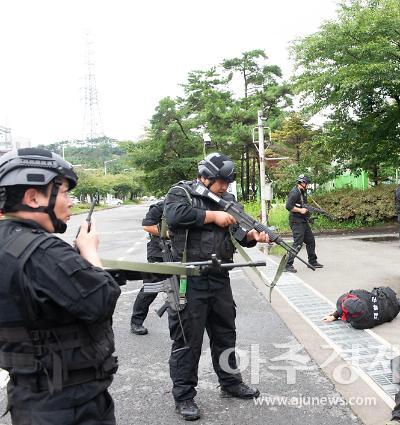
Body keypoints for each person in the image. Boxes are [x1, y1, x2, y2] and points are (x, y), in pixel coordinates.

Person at [0, 148, 121, 424]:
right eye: (64, 192)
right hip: (69, 403)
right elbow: (101, 299)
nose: (70, 203)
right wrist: (89, 252)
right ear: (33, 198)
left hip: (28, 396)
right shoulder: (42, 251)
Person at [164, 152, 270, 421]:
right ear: (206, 176)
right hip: (189, 279)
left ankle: (231, 383)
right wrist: (211, 216)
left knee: (225, 334)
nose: (225, 186)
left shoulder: (228, 202)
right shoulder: (181, 193)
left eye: (227, 182)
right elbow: (175, 216)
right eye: (221, 181)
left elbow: (239, 236)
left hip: (219, 277)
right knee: (188, 340)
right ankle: (184, 396)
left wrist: (253, 236)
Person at [129, 199, 164, 335]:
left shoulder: (189, 205)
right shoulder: (162, 206)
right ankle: (136, 322)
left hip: (181, 253)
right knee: (151, 288)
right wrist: (168, 234)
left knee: (185, 287)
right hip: (159, 252)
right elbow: (147, 226)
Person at [284, 174, 323, 273]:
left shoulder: (302, 192)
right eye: (307, 183)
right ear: (302, 183)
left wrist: (307, 214)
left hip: (303, 221)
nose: (308, 185)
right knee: (298, 243)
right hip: (296, 221)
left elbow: (303, 205)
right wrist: (300, 211)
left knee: (310, 241)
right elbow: (288, 206)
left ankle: (312, 261)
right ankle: (287, 265)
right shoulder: (295, 192)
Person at [322, 287, 400, 329]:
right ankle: (397, 301)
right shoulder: (362, 295)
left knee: (380, 299)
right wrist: (335, 315)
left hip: (391, 311)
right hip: (388, 301)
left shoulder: (359, 324)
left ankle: (397, 302)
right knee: (376, 294)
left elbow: (346, 314)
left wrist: (335, 315)